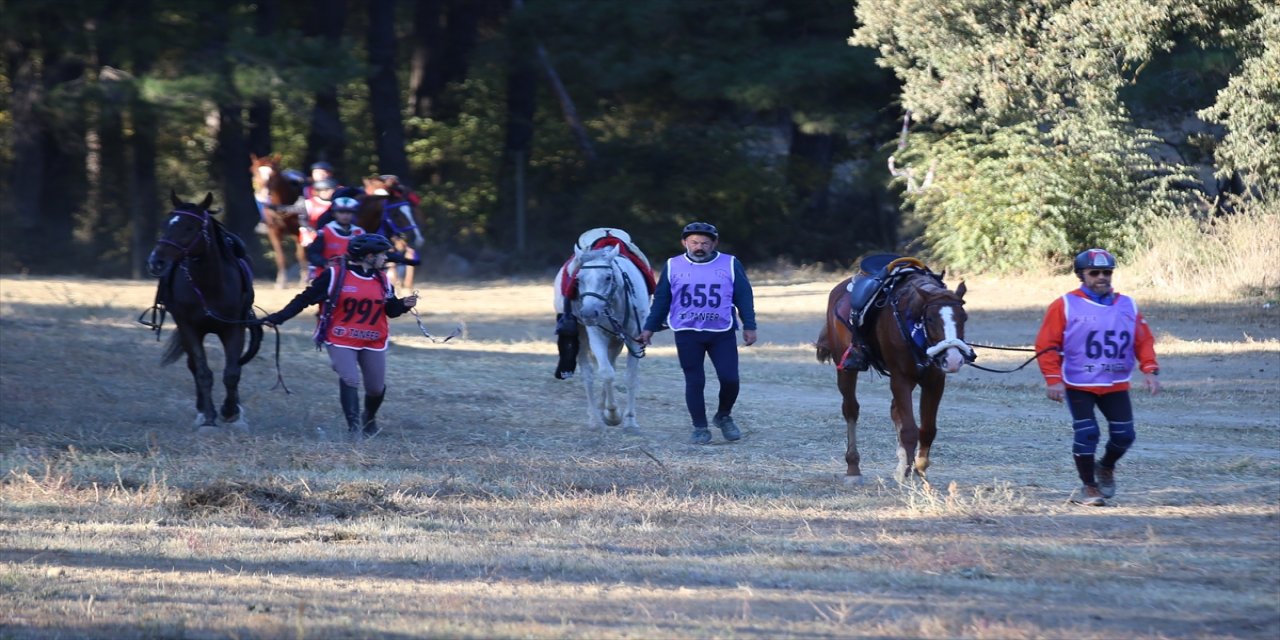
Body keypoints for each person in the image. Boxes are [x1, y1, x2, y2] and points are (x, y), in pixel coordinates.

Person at [261, 234, 419, 440]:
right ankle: (354, 430)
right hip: (340, 337)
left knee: (375, 387)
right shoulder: (334, 275)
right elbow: (304, 299)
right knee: (350, 378)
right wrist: (279, 317)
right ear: (368, 256)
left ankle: (369, 419)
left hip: (373, 339)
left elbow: (390, 310)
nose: (385, 258)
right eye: (381, 254)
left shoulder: (381, 279)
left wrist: (403, 305)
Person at [1035, 248, 1161, 506]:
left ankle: (1105, 466)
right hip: (1078, 383)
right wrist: (1052, 378)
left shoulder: (1128, 304)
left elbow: (1143, 340)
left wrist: (1149, 369)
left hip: (1115, 383)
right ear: (1082, 275)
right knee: (1087, 433)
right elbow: (1047, 344)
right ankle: (1089, 487)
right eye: (1095, 272)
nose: (1102, 277)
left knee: (1125, 436)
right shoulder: (1065, 304)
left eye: (1107, 272)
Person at [638, 222, 757, 444]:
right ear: (685, 243)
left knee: (730, 379)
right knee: (695, 381)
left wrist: (749, 325)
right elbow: (662, 300)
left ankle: (723, 416)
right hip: (687, 331)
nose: (699, 246)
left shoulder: (730, 263)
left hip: (721, 331)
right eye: (694, 242)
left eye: (704, 242)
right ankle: (700, 427)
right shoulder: (673, 265)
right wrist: (649, 328)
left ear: (714, 243)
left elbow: (744, 296)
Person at [304, 194, 366, 280]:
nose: (345, 216)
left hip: (351, 275)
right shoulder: (324, 232)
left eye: (349, 212)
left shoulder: (360, 233)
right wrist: (324, 263)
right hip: (327, 275)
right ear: (334, 214)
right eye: (341, 212)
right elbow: (313, 254)